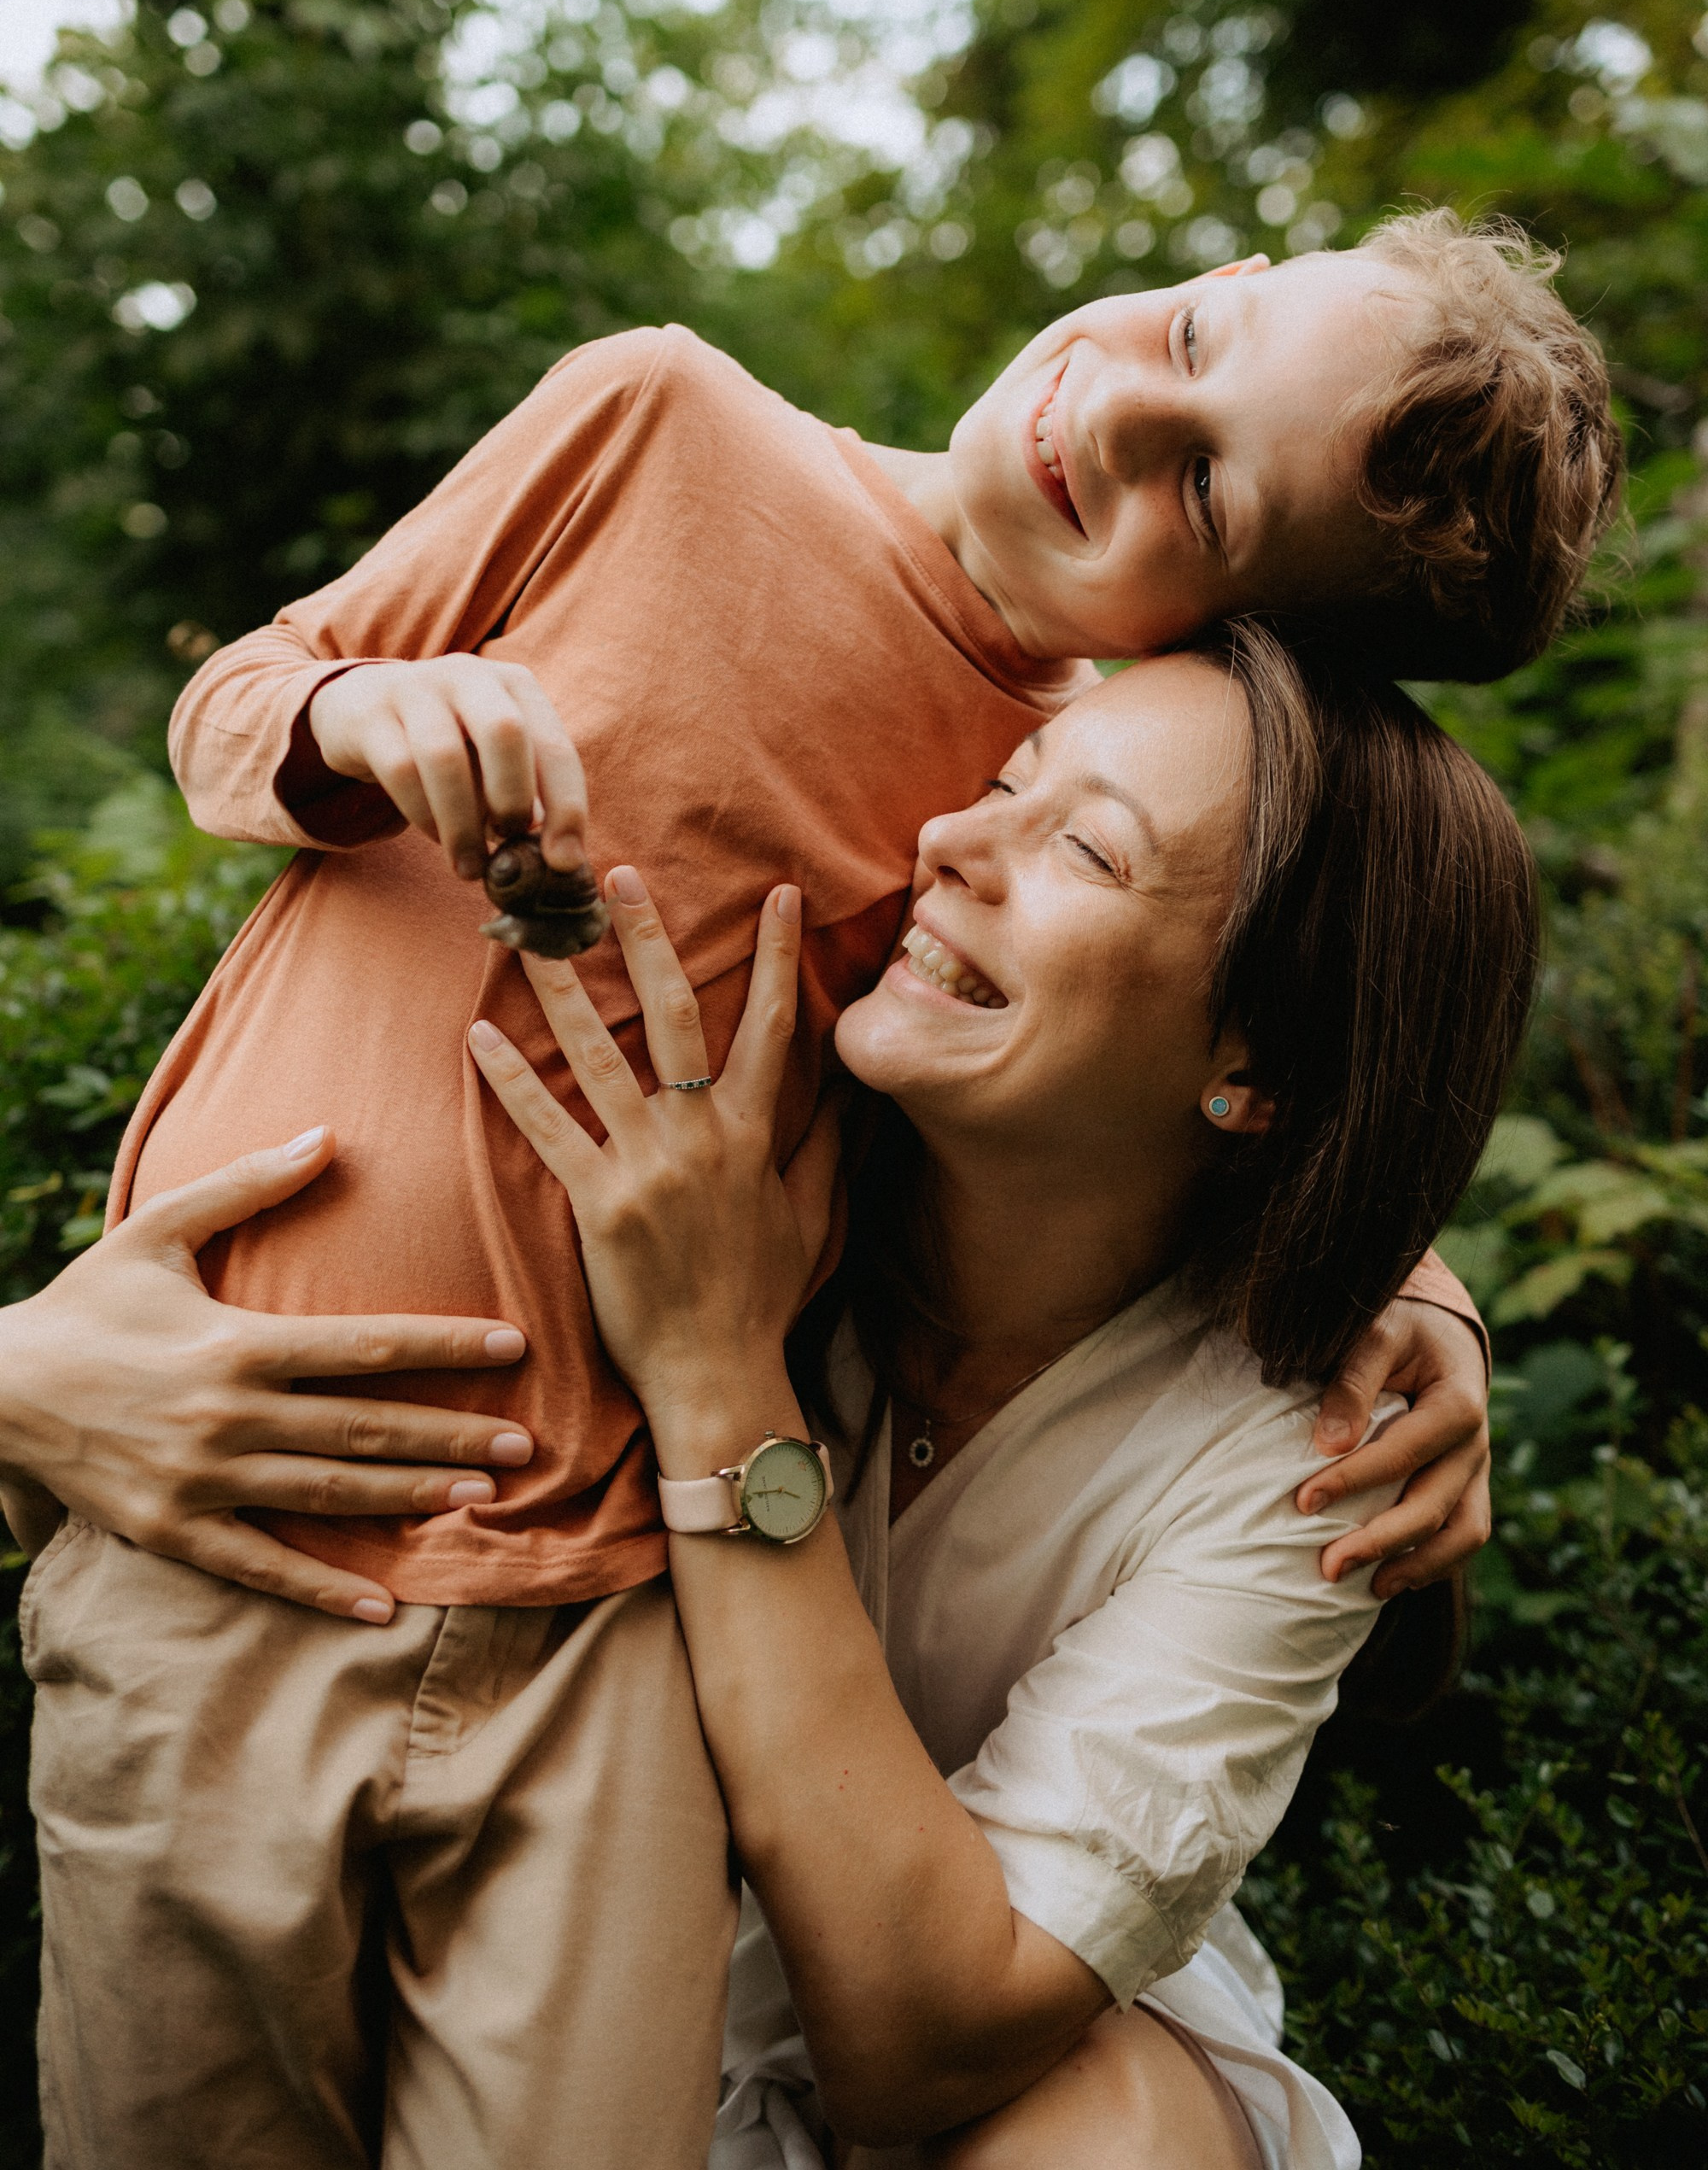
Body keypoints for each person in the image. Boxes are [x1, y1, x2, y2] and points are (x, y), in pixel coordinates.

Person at [13, 213, 1600, 2167]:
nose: (1115, 407)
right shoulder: (673, 434)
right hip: (242, 1540)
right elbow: (254, 693)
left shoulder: (1048, 778)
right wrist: (355, 716)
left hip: (597, 1605)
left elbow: (1258, 1020)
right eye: (1193, 323)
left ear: (1218, 644)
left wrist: (1394, 1277)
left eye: (1202, 480)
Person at [464, 629, 1540, 2168]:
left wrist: (715, 1377)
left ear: (1258, 1067)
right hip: (581, 1969)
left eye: (1086, 849)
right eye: (1002, 781)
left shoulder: (1304, 1452)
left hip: (993, 2049)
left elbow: (933, 2035)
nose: (953, 842)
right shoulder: (748, 1110)